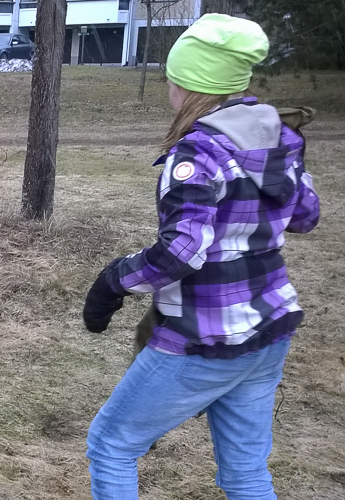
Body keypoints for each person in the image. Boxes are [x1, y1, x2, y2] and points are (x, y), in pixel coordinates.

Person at [81, 14, 320, 498]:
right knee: (246, 472)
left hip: (206, 337)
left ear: (189, 85)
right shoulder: (282, 136)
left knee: (111, 445)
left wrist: (113, 280)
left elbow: (181, 252)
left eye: (173, 78)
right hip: (268, 330)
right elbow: (305, 215)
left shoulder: (198, 153)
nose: (169, 88)